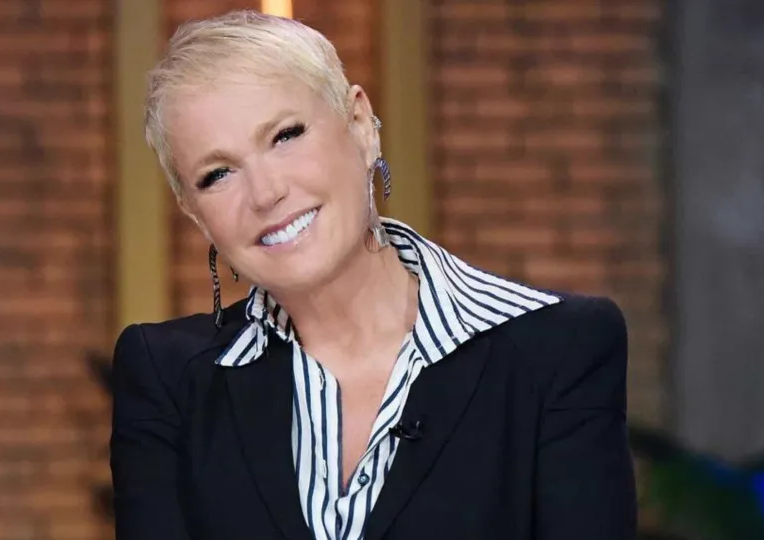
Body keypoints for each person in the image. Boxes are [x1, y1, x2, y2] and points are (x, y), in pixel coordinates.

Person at [110, 10, 636, 540]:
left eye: (285, 135)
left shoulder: (560, 348)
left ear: (361, 126)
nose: (266, 193)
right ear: (194, 211)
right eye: (218, 174)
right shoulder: (166, 379)